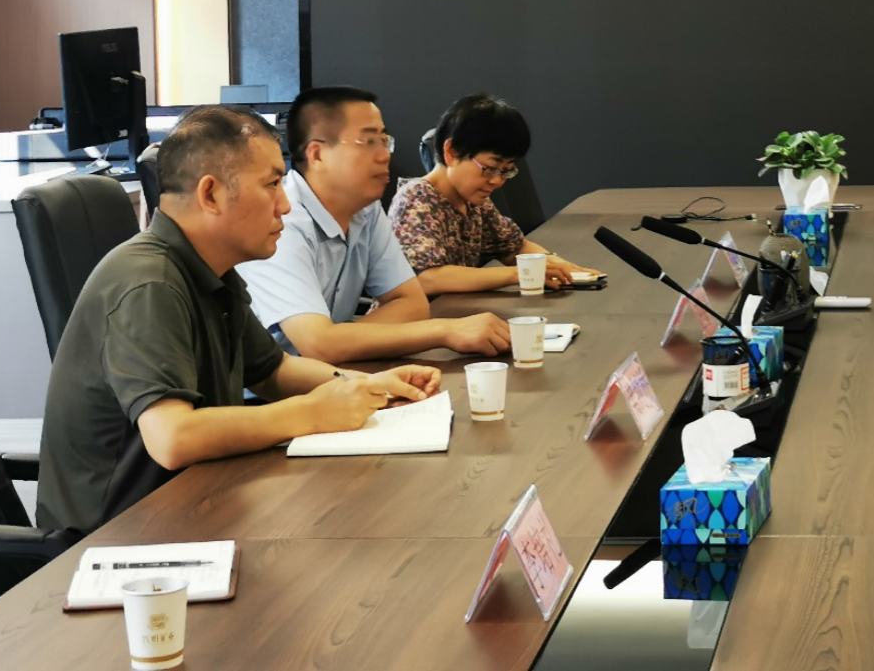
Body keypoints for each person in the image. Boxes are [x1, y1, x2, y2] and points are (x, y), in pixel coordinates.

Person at [36, 106, 442, 537]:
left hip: (197, 504)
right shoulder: (149, 283)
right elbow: (173, 438)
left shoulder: (211, 270)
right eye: (271, 184)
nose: (285, 205)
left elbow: (272, 371)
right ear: (211, 194)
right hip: (117, 539)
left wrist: (366, 386)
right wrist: (312, 412)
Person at [237, 86, 511, 363]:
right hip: (265, 386)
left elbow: (413, 304)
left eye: (384, 141)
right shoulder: (281, 221)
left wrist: (342, 341)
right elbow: (318, 345)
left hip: (330, 372)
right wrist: (446, 331)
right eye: (368, 142)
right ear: (317, 154)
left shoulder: (365, 209)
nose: (384, 155)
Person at [391, 93, 600, 296]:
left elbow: (515, 248)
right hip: (415, 317)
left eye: (506, 171)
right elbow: (428, 279)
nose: (498, 181)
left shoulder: (474, 202)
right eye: (490, 168)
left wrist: (560, 266)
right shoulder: (417, 199)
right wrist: (521, 273)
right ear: (452, 152)